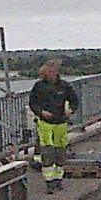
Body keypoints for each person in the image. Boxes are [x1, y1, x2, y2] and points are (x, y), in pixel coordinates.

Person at [28, 60, 81, 192]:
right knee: (47, 152)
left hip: (61, 122)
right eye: (48, 72)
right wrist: (41, 112)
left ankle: (58, 179)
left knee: (60, 152)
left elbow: (74, 100)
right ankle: (49, 181)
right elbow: (33, 103)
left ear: (57, 72)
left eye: (53, 71)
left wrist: (71, 110)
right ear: (44, 73)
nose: (51, 74)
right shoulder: (39, 86)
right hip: (45, 123)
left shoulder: (64, 86)